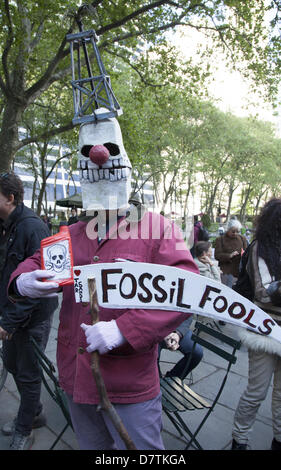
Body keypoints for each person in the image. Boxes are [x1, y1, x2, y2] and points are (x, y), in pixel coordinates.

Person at [8, 109, 199, 450]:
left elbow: (185, 290)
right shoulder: (72, 233)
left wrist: (126, 329)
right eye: (89, 151)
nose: (98, 155)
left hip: (129, 385)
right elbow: (37, 262)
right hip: (76, 379)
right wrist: (21, 281)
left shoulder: (159, 230)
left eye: (108, 148)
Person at [0, 172, 58, 450]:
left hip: (31, 317)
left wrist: (10, 321)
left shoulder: (32, 227)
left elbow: (41, 283)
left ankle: (26, 427)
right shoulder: (9, 224)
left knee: (28, 373)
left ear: (10, 197)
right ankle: (33, 412)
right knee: (12, 364)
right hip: (13, 315)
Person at [231, 198, 281, 450]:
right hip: (264, 331)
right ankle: (239, 439)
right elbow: (264, 293)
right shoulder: (260, 248)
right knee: (256, 392)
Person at [159, 316, 203, 380]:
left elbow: (188, 313)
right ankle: (156, 382)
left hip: (177, 327)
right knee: (150, 354)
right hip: (153, 329)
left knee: (196, 353)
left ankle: (172, 379)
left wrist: (178, 333)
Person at [214, 218, 247, 288]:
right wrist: (229, 255)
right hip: (226, 270)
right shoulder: (220, 240)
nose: (235, 234)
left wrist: (243, 254)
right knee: (227, 289)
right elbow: (217, 255)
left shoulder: (242, 238)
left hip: (239, 269)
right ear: (228, 229)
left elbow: (246, 251)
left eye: (237, 232)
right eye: (233, 231)